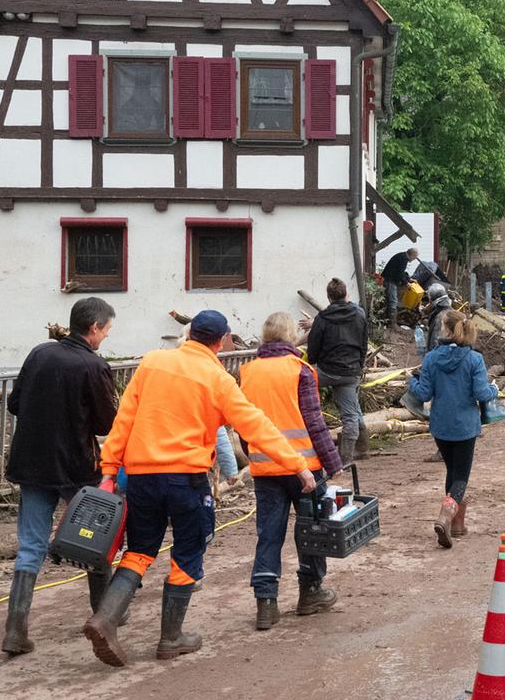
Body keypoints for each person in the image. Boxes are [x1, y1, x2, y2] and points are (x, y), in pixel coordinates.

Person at [83, 311, 315, 668]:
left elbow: (124, 419)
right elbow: (257, 426)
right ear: (221, 341)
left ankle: (106, 619)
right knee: (188, 550)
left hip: (143, 477)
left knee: (140, 551)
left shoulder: (153, 362)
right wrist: (297, 465)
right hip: (186, 480)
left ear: (189, 333)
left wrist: (109, 470)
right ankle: (171, 637)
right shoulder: (217, 379)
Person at [0, 298, 118, 656]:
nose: (106, 337)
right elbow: (105, 424)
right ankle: (104, 615)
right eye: (106, 331)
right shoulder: (93, 365)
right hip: (74, 467)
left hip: (31, 463)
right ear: (94, 328)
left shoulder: (39, 353)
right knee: (94, 538)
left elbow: (14, 404)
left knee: (31, 545)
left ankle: (15, 630)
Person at [239, 313, 344, 631]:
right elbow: (313, 420)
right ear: (289, 337)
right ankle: (310, 592)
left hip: (265, 466)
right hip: (305, 468)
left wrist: (251, 453)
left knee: (268, 535)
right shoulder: (300, 370)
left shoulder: (248, 371)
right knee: (312, 531)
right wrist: (333, 461)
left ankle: (266, 603)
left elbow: (244, 422)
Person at [409, 309, 498, 550]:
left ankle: (456, 526)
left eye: (440, 327)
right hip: (466, 427)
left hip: (440, 426)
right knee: (461, 477)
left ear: (448, 330)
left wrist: (412, 381)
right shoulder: (474, 359)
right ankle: (445, 518)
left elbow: (424, 393)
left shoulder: (431, 358)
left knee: (451, 471)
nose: (438, 331)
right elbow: (482, 394)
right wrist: (495, 390)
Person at [305, 277, 369, 464]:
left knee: (299, 389)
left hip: (326, 370)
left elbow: (313, 346)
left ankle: (304, 437)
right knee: (351, 413)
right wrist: (359, 365)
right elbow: (364, 342)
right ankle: (351, 454)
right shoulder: (359, 314)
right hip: (350, 371)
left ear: (328, 296)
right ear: (346, 293)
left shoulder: (322, 318)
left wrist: (312, 363)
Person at [420, 282, 452, 354]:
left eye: (430, 300)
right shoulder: (451, 312)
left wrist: (431, 358)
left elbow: (435, 343)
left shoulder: (440, 318)